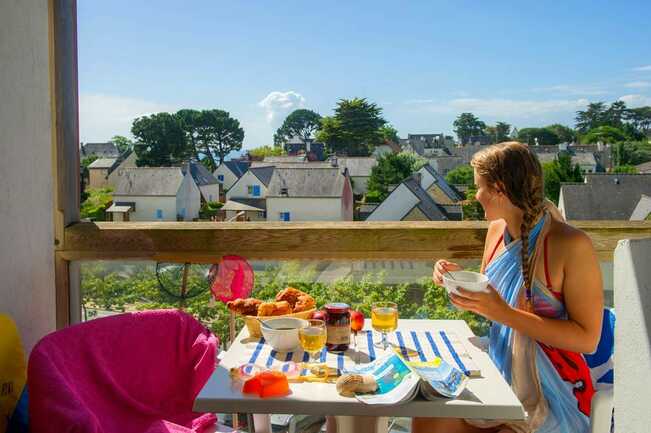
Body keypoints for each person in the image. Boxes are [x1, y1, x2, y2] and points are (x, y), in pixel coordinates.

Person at [413, 142, 604, 433]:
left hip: (552, 389)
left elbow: (587, 339)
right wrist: (452, 281)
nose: (474, 196)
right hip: (499, 369)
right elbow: (488, 303)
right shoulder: (495, 231)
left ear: (499, 189)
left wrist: (503, 313)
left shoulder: (571, 245)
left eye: (478, 187)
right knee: (427, 417)